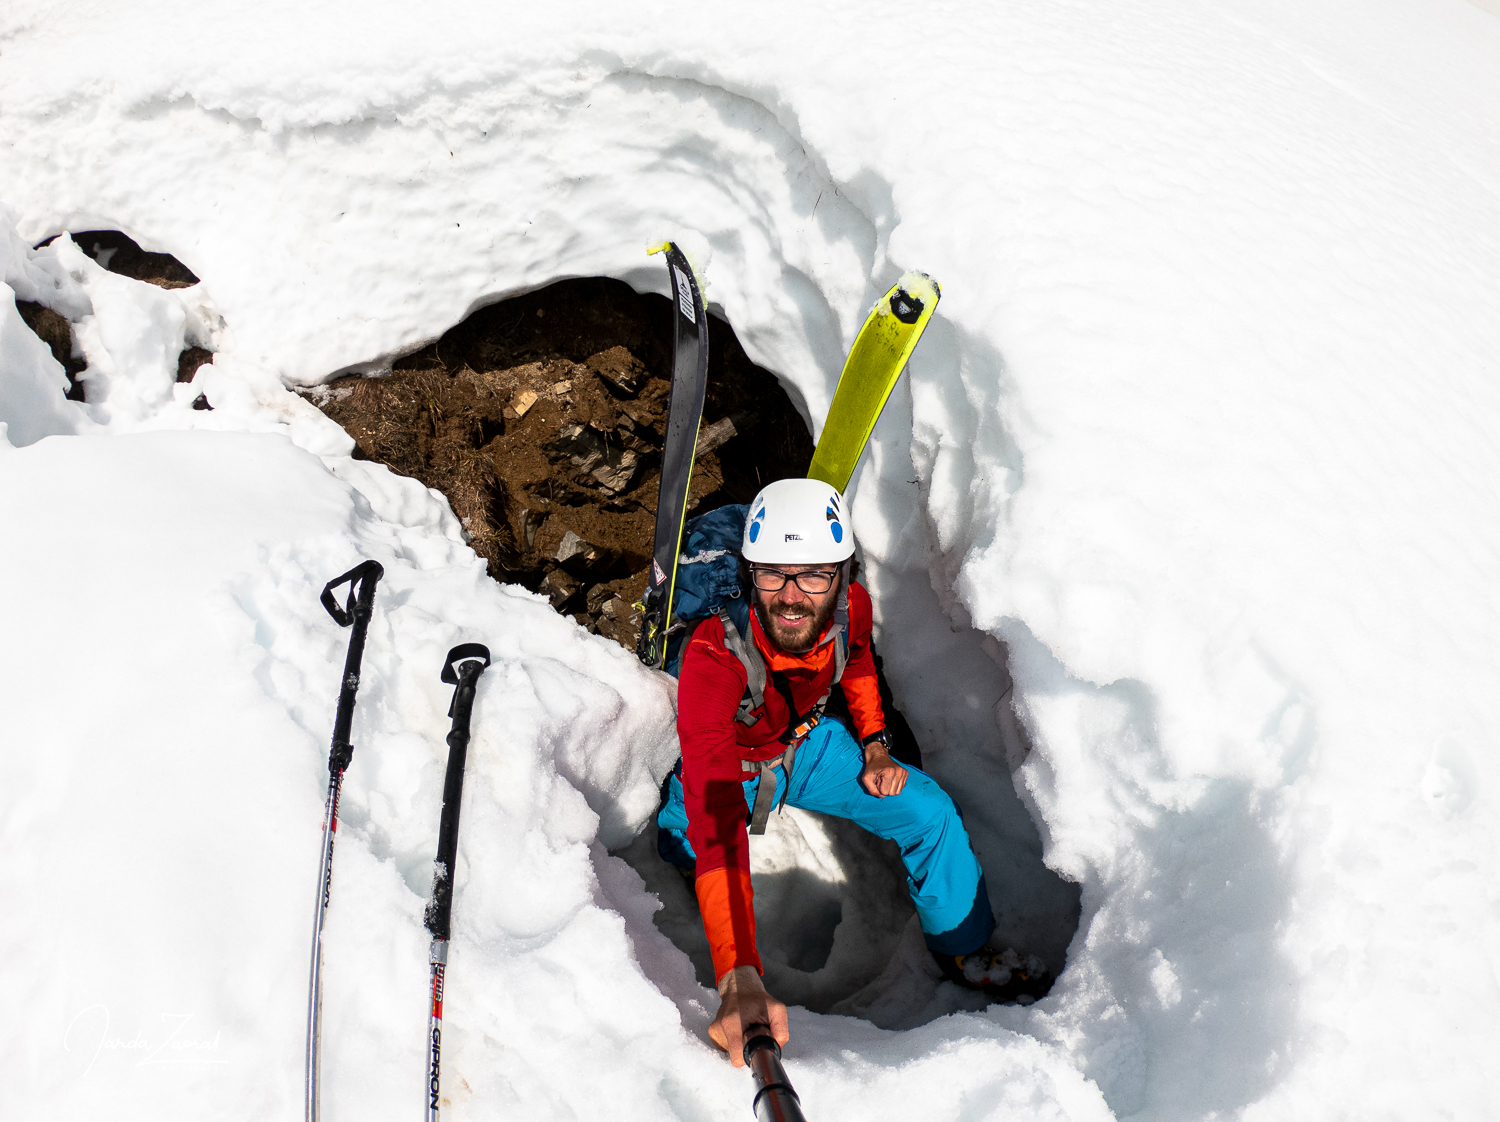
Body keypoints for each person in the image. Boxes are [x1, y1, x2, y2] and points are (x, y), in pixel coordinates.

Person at [655, 477, 1014, 1067]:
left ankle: (964, 946)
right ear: (750, 574)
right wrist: (741, 974)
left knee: (928, 812)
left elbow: (858, 665)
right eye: (773, 573)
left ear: (841, 576)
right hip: (729, 766)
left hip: (809, 748)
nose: (792, 596)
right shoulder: (715, 657)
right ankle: (714, 934)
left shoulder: (852, 609)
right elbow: (716, 808)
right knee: (688, 841)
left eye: (814, 575)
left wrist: (874, 744)